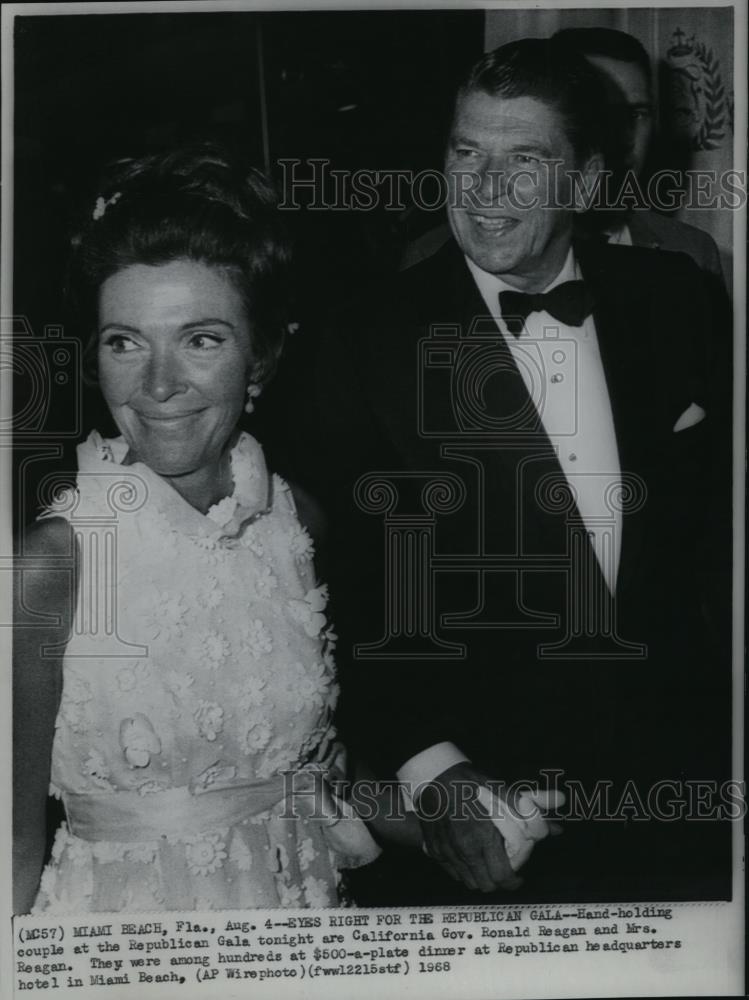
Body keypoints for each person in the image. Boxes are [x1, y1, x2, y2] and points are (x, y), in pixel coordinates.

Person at [283, 38, 732, 905]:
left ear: (589, 183)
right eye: (465, 153)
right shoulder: (359, 342)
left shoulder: (678, 301)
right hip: (481, 825)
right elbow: (330, 593)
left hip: (680, 808)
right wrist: (433, 770)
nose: (482, 190)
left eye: (522, 160)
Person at [12, 145, 386, 916]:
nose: (156, 384)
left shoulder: (295, 522)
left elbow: (314, 773)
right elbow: (8, 844)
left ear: (262, 358)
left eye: (201, 339)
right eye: (124, 341)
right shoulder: (53, 561)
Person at [403, 28, 727, 293]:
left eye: (634, 115)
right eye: (598, 116)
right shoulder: (428, 263)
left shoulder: (689, 262)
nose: (617, 137)